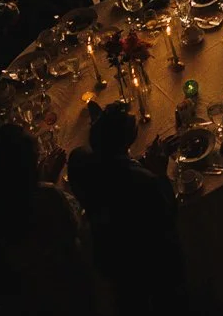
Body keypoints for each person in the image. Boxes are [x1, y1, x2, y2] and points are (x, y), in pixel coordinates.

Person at [66, 104, 184, 308]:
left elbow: (115, 176)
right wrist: (159, 173)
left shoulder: (80, 163)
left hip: (109, 260)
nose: (133, 117)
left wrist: (139, 163)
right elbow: (169, 214)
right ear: (127, 139)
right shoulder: (144, 182)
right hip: (148, 266)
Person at [0, 124, 98, 315]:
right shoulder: (47, 197)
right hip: (63, 287)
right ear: (28, 165)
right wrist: (51, 183)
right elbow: (73, 231)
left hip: (24, 290)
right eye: (36, 155)